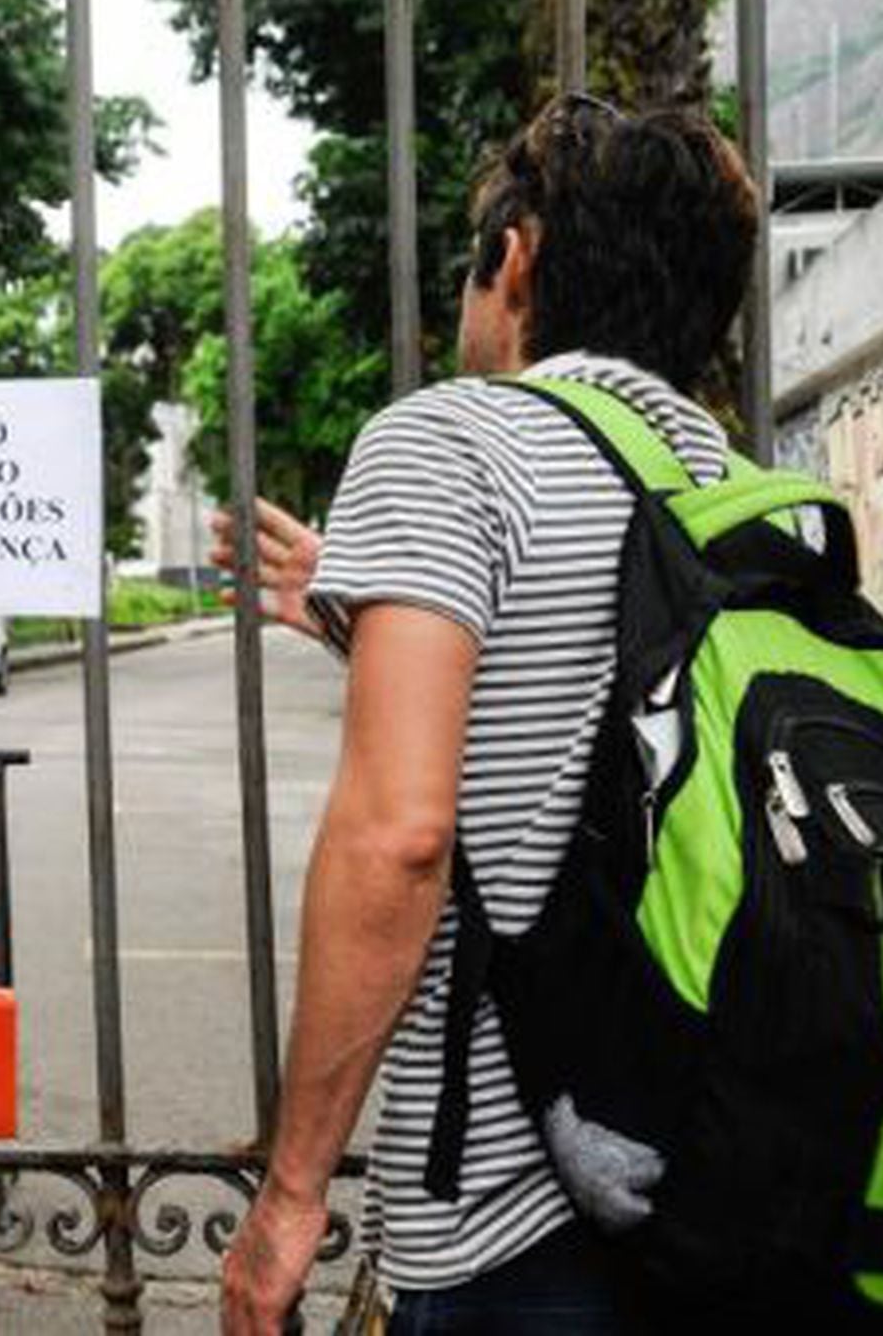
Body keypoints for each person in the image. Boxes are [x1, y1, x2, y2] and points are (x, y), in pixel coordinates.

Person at [214, 95, 761, 1335]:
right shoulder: (753, 494)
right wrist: (376, 625)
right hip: (744, 1191)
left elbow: (400, 839)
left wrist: (292, 1196)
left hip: (525, 1222)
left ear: (512, 260)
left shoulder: (449, 442)